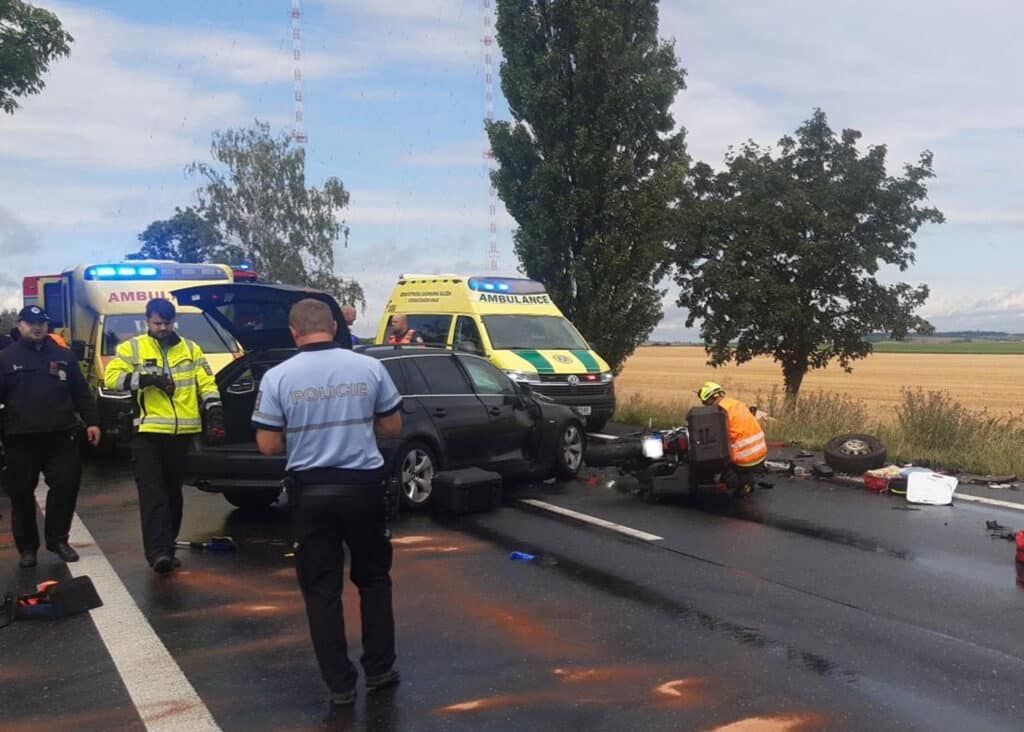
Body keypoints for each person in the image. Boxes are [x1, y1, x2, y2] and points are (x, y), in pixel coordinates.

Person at [253, 298, 403, 706]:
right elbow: (392, 425)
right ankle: (380, 668)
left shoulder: (277, 377)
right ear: (335, 327)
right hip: (364, 489)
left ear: (293, 332)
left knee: (322, 589)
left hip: (312, 493)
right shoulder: (370, 367)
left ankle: (339, 685)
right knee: (373, 580)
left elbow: (267, 444)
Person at [104, 298, 225, 574]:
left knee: (173, 494)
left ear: (174, 322)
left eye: (167, 323)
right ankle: (158, 553)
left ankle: (167, 547)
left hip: (181, 432)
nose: (163, 328)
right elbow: (112, 378)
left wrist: (215, 412)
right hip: (147, 432)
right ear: (148, 321)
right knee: (153, 494)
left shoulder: (191, 349)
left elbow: (206, 383)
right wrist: (146, 379)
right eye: (158, 323)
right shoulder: (132, 347)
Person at [0, 306, 101, 568]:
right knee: (21, 494)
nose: (37, 327)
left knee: (66, 486)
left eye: (41, 323)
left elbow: (81, 393)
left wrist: (92, 422)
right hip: (20, 438)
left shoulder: (63, 356)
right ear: (20, 325)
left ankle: (58, 540)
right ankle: (28, 549)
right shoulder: (5, 358)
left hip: (60, 435)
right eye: (31, 323)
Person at [696, 381, 768, 493]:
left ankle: (745, 482)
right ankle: (748, 476)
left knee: (712, 459)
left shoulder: (719, 412)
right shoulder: (735, 403)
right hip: (761, 452)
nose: (706, 406)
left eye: (706, 403)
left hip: (745, 459)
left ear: (711, 399)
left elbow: (714, 437)